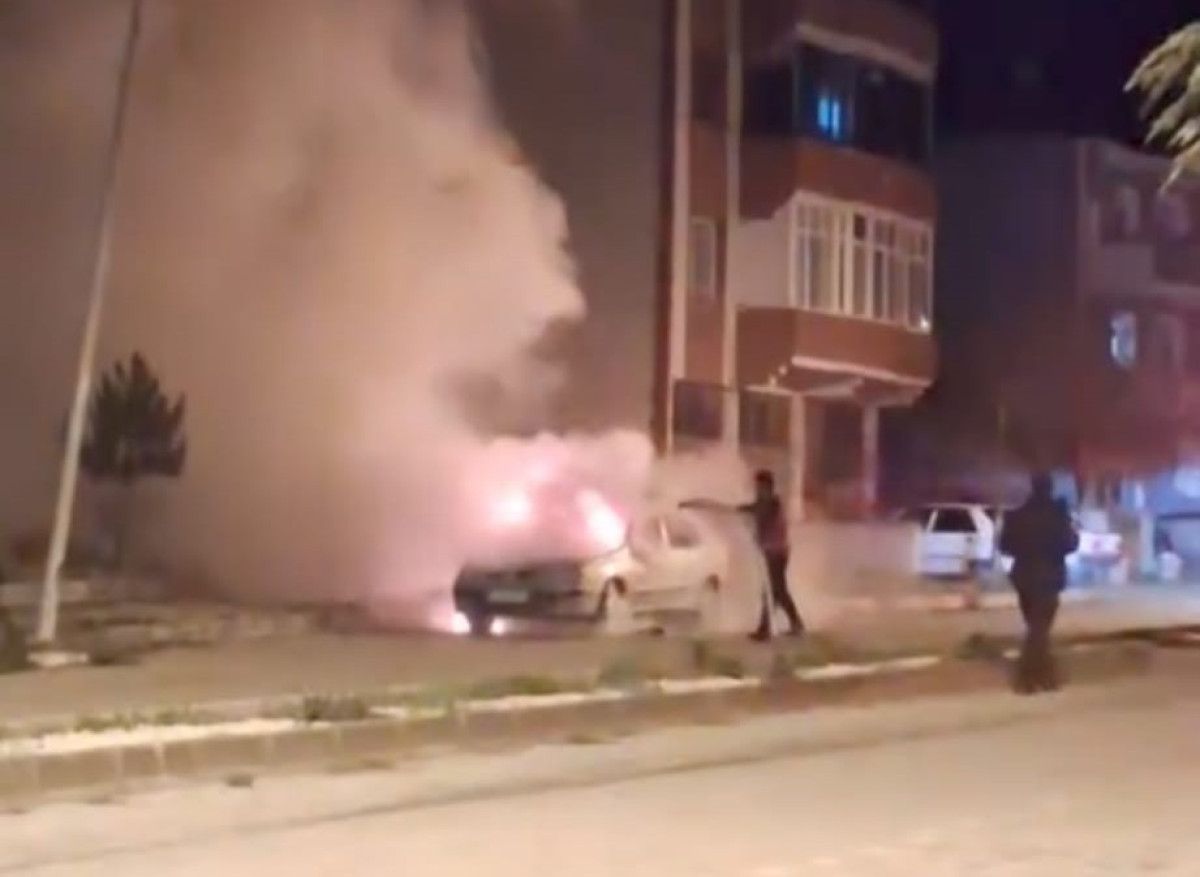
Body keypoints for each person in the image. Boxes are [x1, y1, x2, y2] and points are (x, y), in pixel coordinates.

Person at [999, 473, 1079, 693]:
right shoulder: (1058, 514)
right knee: (1039, 629)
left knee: (1037, 628)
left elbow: (1005, 546)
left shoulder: (1017, 515)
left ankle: (1045, 676)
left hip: (1024, 577)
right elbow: (1071, 544)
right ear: (1050, 488)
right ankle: (1028, 679)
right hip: (1049, 577)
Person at [739, 470, 804, 641]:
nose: (757, 490)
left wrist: (746, 511)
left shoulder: (773, 504)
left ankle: (767, 628)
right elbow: (755, 509)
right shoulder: (764, 503)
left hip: (777, 552)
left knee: (773, 590)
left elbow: (761, 511)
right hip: (771, 551)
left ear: (768, 487)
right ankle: (789, 624)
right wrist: (744, 510)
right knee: (777, 590)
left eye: (760, 486)